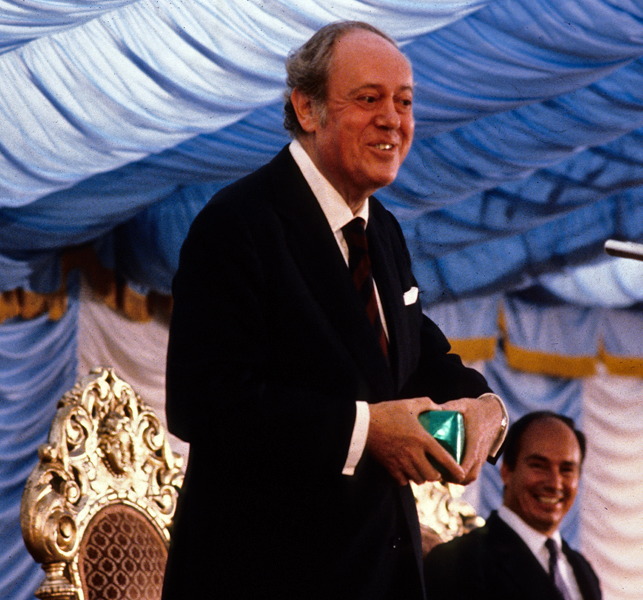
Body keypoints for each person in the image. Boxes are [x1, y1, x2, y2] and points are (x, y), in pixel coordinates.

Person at [160, 21, 508, 600]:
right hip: (265, 575)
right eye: (369, 99)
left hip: (380, 571)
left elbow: (416, 356)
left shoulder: (384, 231)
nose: (393, 120)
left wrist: (485, 407)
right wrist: (367, 430)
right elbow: (206, 403)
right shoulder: (238, 223)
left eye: (404, 102)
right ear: (308, 107)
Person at [424, 412, 603, 600]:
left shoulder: (583, 570)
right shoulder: (459, 561)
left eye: (567, 469)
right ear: (506, 471)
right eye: (538, 465)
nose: (555, 483)